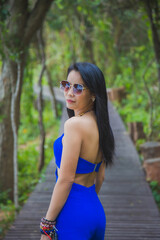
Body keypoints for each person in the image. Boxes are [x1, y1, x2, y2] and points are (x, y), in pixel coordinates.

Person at [40, 62, 115, 240]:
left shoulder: (74, 124)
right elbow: (100, 176)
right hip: (95, 211)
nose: (69, 92)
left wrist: (47, 226)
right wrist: (85, 205)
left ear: (94, 94)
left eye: (78, 88)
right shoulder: (101, 124)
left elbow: (66, 179)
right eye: (66, 85)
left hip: (73, 215)